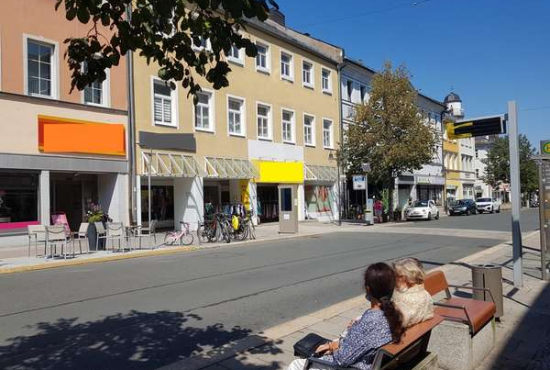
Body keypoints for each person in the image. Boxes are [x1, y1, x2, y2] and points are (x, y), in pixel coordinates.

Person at [286, 263, 405, 370]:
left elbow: (342, 360)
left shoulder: (371, 320)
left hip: (349, 366)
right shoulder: (393, 314)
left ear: (368, 288)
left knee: (296, 365)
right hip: (369, 362)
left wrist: (331, 348)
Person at [392, 258, 434, 328]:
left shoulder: (402, 300)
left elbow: (397, 324)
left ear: (407, 278)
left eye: (396, 275)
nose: (393, 278)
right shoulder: (425, 294)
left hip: (404, 337)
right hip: (420, 334)